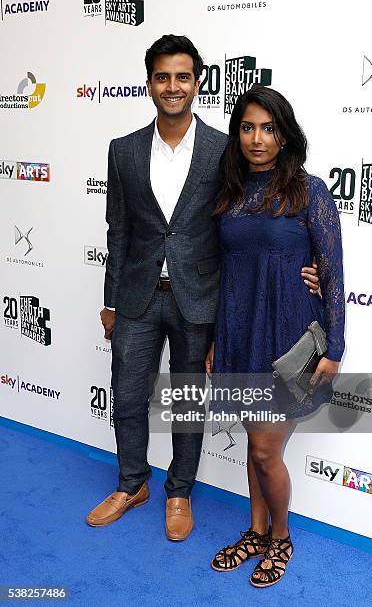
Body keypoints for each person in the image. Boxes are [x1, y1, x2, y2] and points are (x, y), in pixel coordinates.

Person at [86, 35, 320, 541]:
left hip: (200, 299)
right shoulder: (122, 150)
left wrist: (309, 264)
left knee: (189, 401)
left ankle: (179, 492)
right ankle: (132, 483)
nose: (173, 86)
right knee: (126, 395)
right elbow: (117, 228)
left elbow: (257, 213)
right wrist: (109, 301)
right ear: (149, 83)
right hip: (136, 297)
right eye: (163, 76)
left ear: (198, 83)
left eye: (183, 77)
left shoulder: (224, 148)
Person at [206, 86, 345, 585]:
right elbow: (229, 268)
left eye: (268, 128)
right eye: (247, 127)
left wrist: (336, 346)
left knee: (266, 450)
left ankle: (281, 538)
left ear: (284, 134)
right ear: (237, 133)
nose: (257, 138)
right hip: (240, 330)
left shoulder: (310, 191)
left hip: (290, 336)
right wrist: (217, 341)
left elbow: (332, 273)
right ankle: (256, 530)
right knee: (253, 443)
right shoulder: (230, 192)